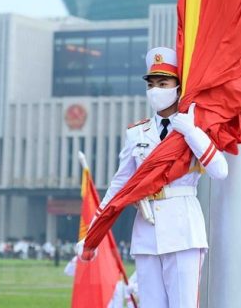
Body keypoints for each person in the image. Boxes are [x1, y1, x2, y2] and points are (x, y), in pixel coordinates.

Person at [79, 47, 229, 308]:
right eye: (151, 84)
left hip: (183, 230)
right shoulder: (137, 133)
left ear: (178, 87)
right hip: (147, 229)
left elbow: (220, 170)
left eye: (163, 83)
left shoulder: (194, 128)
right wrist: (93, 232)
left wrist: (191, 131)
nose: (156, 90)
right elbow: (118, 188)